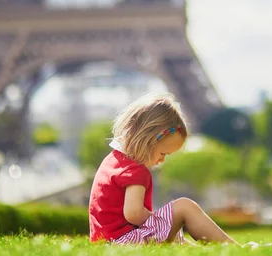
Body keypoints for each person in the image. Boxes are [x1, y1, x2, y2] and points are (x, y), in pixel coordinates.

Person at [88, 92, 239, 245]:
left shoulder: (112, 161)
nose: (161, 160)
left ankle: (202, 248)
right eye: (163, 153)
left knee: (176, 230)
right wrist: (163, 221)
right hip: (124, 241)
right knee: (185, 207)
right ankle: (233, 248)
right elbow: (133, 213)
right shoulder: (136, 171)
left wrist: (165, 227)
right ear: (148, 140)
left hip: (110, 241)